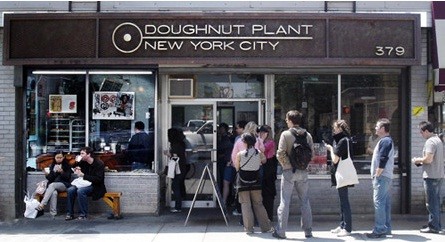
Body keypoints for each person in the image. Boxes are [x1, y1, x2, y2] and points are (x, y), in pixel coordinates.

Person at [273, 110, 314, 239]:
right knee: (305, 201)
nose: (286, 121)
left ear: (290, 120)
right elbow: (311, 154)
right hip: (303, 172)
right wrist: (302, 165)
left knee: (285, 201)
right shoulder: (308, 135)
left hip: (289, 172)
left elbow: (280, 153)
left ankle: (281, 231)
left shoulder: (285, 134)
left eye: (286, 119)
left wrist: (286, 165)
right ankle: (308, 231)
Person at [234, 133, 273, 234]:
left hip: (243, 182)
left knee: (245, 204)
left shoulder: (240, 154)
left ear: (245, 142)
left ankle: (249, 229)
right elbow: (264, 161)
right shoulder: (258, 153)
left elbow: (237, 167)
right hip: (256, 181)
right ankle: (266, 227)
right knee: (258, 204)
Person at [325, 120, 356, 237]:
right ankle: (342, 224)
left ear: (340, 129)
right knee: (342, 201)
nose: (334, 130)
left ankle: (347, 228)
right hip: (342, 173)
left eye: (335, 128)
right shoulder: (346, 139)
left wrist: (330, 149)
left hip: (342, 173)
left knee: (344, 201)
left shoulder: (342, 141)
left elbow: (335, 159)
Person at [412, 121, 444, 234]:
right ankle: (435, 224)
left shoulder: (430, 142)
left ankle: (434, 226)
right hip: (439, 175)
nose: (421, 135)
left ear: (426, 131)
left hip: (431, 176)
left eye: (421, 132)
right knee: (436, 202)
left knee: (431, 203)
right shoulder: (438, 140)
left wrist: (417, 160)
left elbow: (429, 159)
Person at [365, 118, 395, 238]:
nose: (375, 128)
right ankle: (386, 228)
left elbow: (383, 158)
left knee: (379, 202)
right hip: (385, 176)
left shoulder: (385, 141)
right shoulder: (386, 141)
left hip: (382, 177)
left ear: (383, 129)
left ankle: (379, 229)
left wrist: (377, 173)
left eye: (377, 126)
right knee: (385, 203)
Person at [65, 147, 106, 221]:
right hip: (83, 183)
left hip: (95, 185)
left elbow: (98, 179)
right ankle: (69, 214)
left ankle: (83, 214)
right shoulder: (82, 162)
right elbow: (73, 168)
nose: (80, 155)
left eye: (82, 153)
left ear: (89, 154)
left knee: (80, 191)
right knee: (70, 190)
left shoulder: (99, 164)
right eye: (80, 153)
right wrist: (76, 166)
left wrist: (83, 175)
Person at [36, 152, 73, 216]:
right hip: (53, 185)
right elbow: (50, 179)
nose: (59, 159)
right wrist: (48, 174)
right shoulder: (52, 165)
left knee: (52, 185)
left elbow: (68, 177)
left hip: (63, 184)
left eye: (60, 158)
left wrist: (62, 172)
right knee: (53, 193)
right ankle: (53, 213)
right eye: (57, 158)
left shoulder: (67, 165)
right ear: (55, 158)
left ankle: (42, 204)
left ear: (63, 158)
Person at [223, 120, 247, 210]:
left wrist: (232, 162)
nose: (235, 130)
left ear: (243, 128)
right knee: (229, 183)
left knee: (237, 185)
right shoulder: (238, 138)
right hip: (236, 164)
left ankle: (236, 205)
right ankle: (226, 202)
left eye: (237, 128)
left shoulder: (240, 139)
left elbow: (235, 153)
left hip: (237, 165)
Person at [257, 125, 277, 222]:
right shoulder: (263, 141)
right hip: (264, 167)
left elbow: (262, 150)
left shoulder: (270, 142)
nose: (260, 134)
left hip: (269, 168)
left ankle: (268, 216)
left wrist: (261, 139)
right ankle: (264, 216)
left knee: (268, 193)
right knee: (263, 193)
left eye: (262, 132)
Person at [165, 127, 187, 213]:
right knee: (179, 184)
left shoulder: (175, 145)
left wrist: (167, 154)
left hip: (177, 168)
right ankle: (182, 199)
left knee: (175, 186)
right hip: (182, 166)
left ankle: (178, 206)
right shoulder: (181, 143)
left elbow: (175, 157)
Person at [217, 123, 233, 194]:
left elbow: (229, 147)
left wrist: (223, 155)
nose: (220, 130)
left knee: (226, 179)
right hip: (220, 160)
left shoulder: (228, 138)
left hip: (226, 160)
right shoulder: (218, 137)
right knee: (221, 178)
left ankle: (227, 196)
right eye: (220, 128)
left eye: (222, 128)